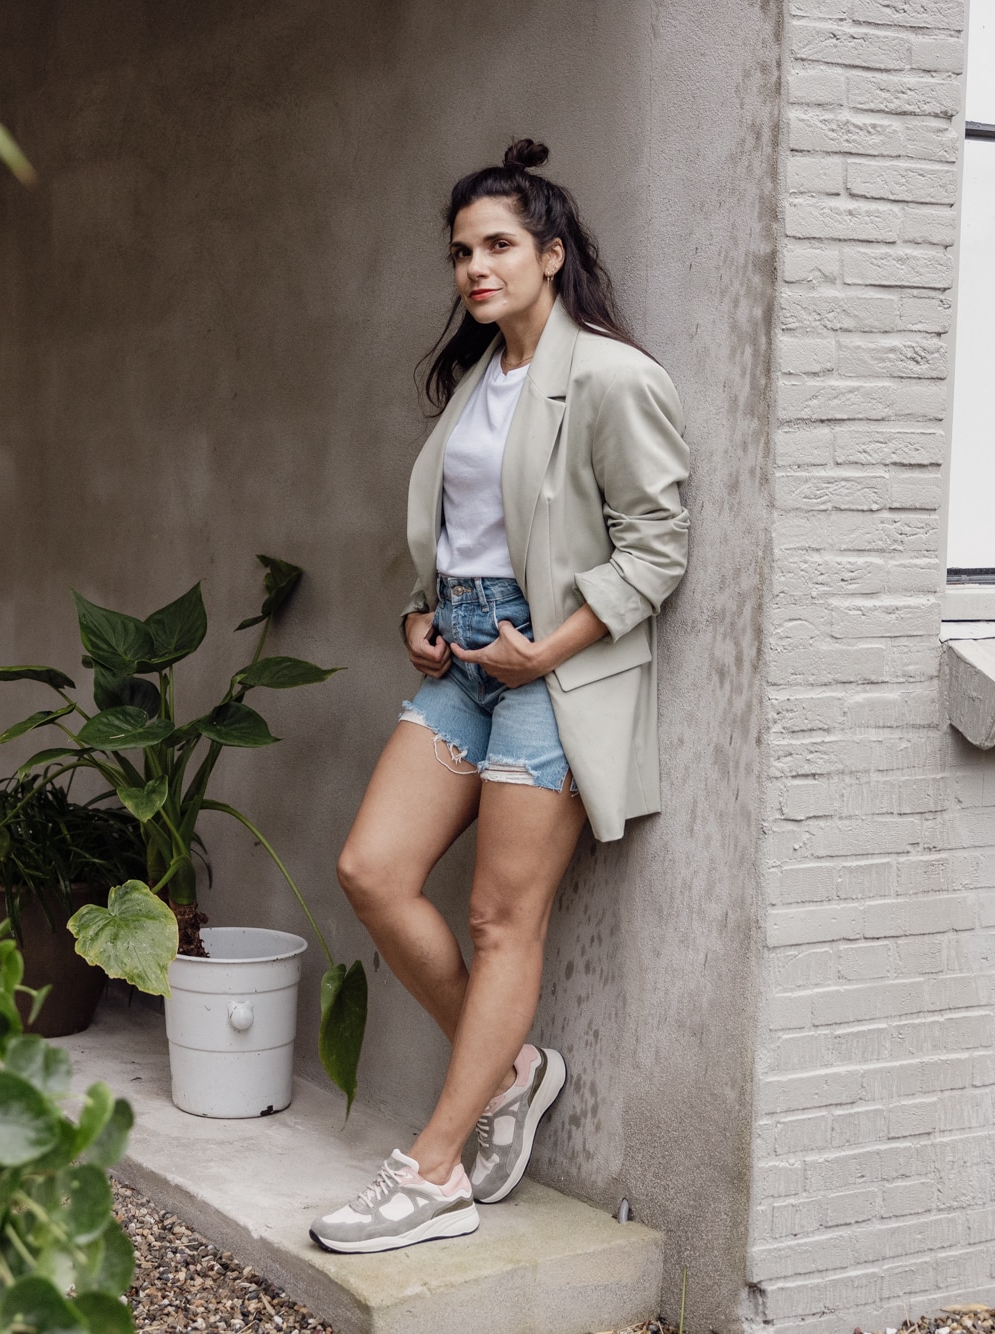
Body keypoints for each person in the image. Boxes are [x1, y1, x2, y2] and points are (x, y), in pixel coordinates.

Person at [309, 139, 690, 1255]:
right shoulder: (478, 380)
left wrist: (550, 647)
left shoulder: (612, 377)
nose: (474, 268)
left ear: (551, 254)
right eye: (460, 252)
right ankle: (513, 1070)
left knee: (498, 917)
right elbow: (459, 531)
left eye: (498, 246)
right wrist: (416, 616)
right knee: (372, 870)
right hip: (464, 655)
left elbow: (658, 545)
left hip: (552, 668)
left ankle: (433, 1171)